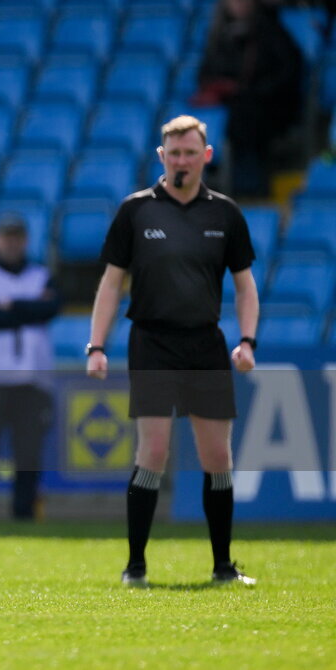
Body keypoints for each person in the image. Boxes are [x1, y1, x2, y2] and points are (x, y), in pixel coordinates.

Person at [86, 115, 259, 587]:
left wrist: (247, 340)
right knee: (154, 451)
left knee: (217, 458)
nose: (182, 160)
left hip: (205, 343)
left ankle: (223, 567)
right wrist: (96, 345)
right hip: (152, 342)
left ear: (206, 156)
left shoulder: (225, 214)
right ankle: (135, 567)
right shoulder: (136, 210)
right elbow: (110, 284)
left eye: (190, 152)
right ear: (161, 157)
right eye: (173, 153)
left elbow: (245, 287)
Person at [0, 216, 59, 522]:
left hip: (31, 381)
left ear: (26, 241)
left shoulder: (41, 274)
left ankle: (24, 514)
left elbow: (52, 308)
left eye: (17, 237)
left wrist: (12, 305)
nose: (12, 243)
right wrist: (30, 307)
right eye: (6, 237)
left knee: (28, 455)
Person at [193, 0, 304, 196]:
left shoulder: (270, 32)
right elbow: (205, 73)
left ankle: (248, 187)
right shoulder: (219, 34)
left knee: (243, 117)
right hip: (230, 103)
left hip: (265, 106)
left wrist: (249, 91)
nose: (238, 4)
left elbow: (287, 72)